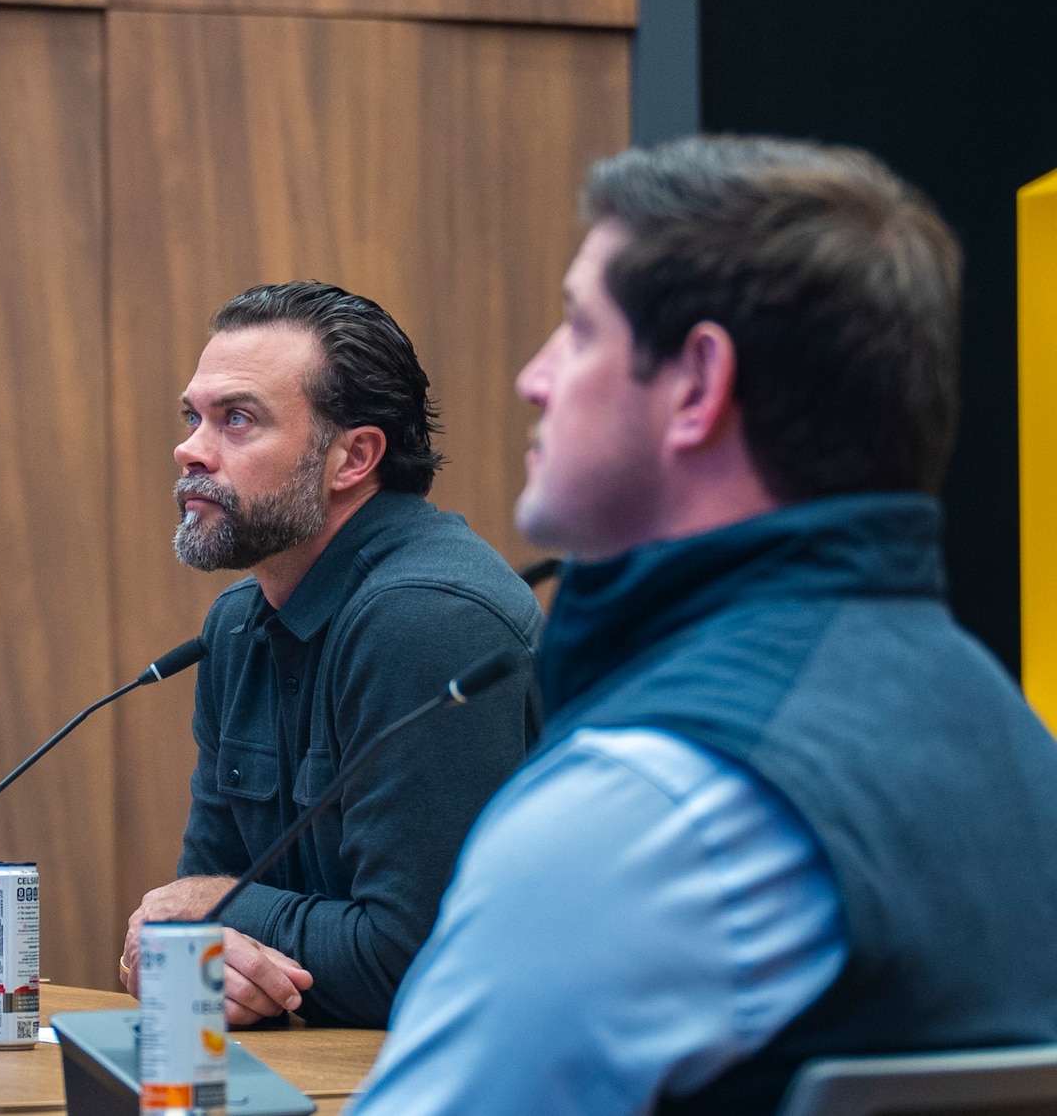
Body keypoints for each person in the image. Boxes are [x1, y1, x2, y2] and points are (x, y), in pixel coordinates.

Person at [347, 137, 1057, 1116]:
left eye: (576, 328)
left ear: (695, 384)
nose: (531, 376)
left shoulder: (642, 812)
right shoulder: (1012, 742)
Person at [118, 282, 542, 1029]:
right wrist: (180, 937)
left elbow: (414, 962)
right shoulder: (238, 626)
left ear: (354, 456)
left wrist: (206, 912)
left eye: (236, 420)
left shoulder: (429, 620)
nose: (190, 449)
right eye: (194, 416)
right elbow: (196, 927)